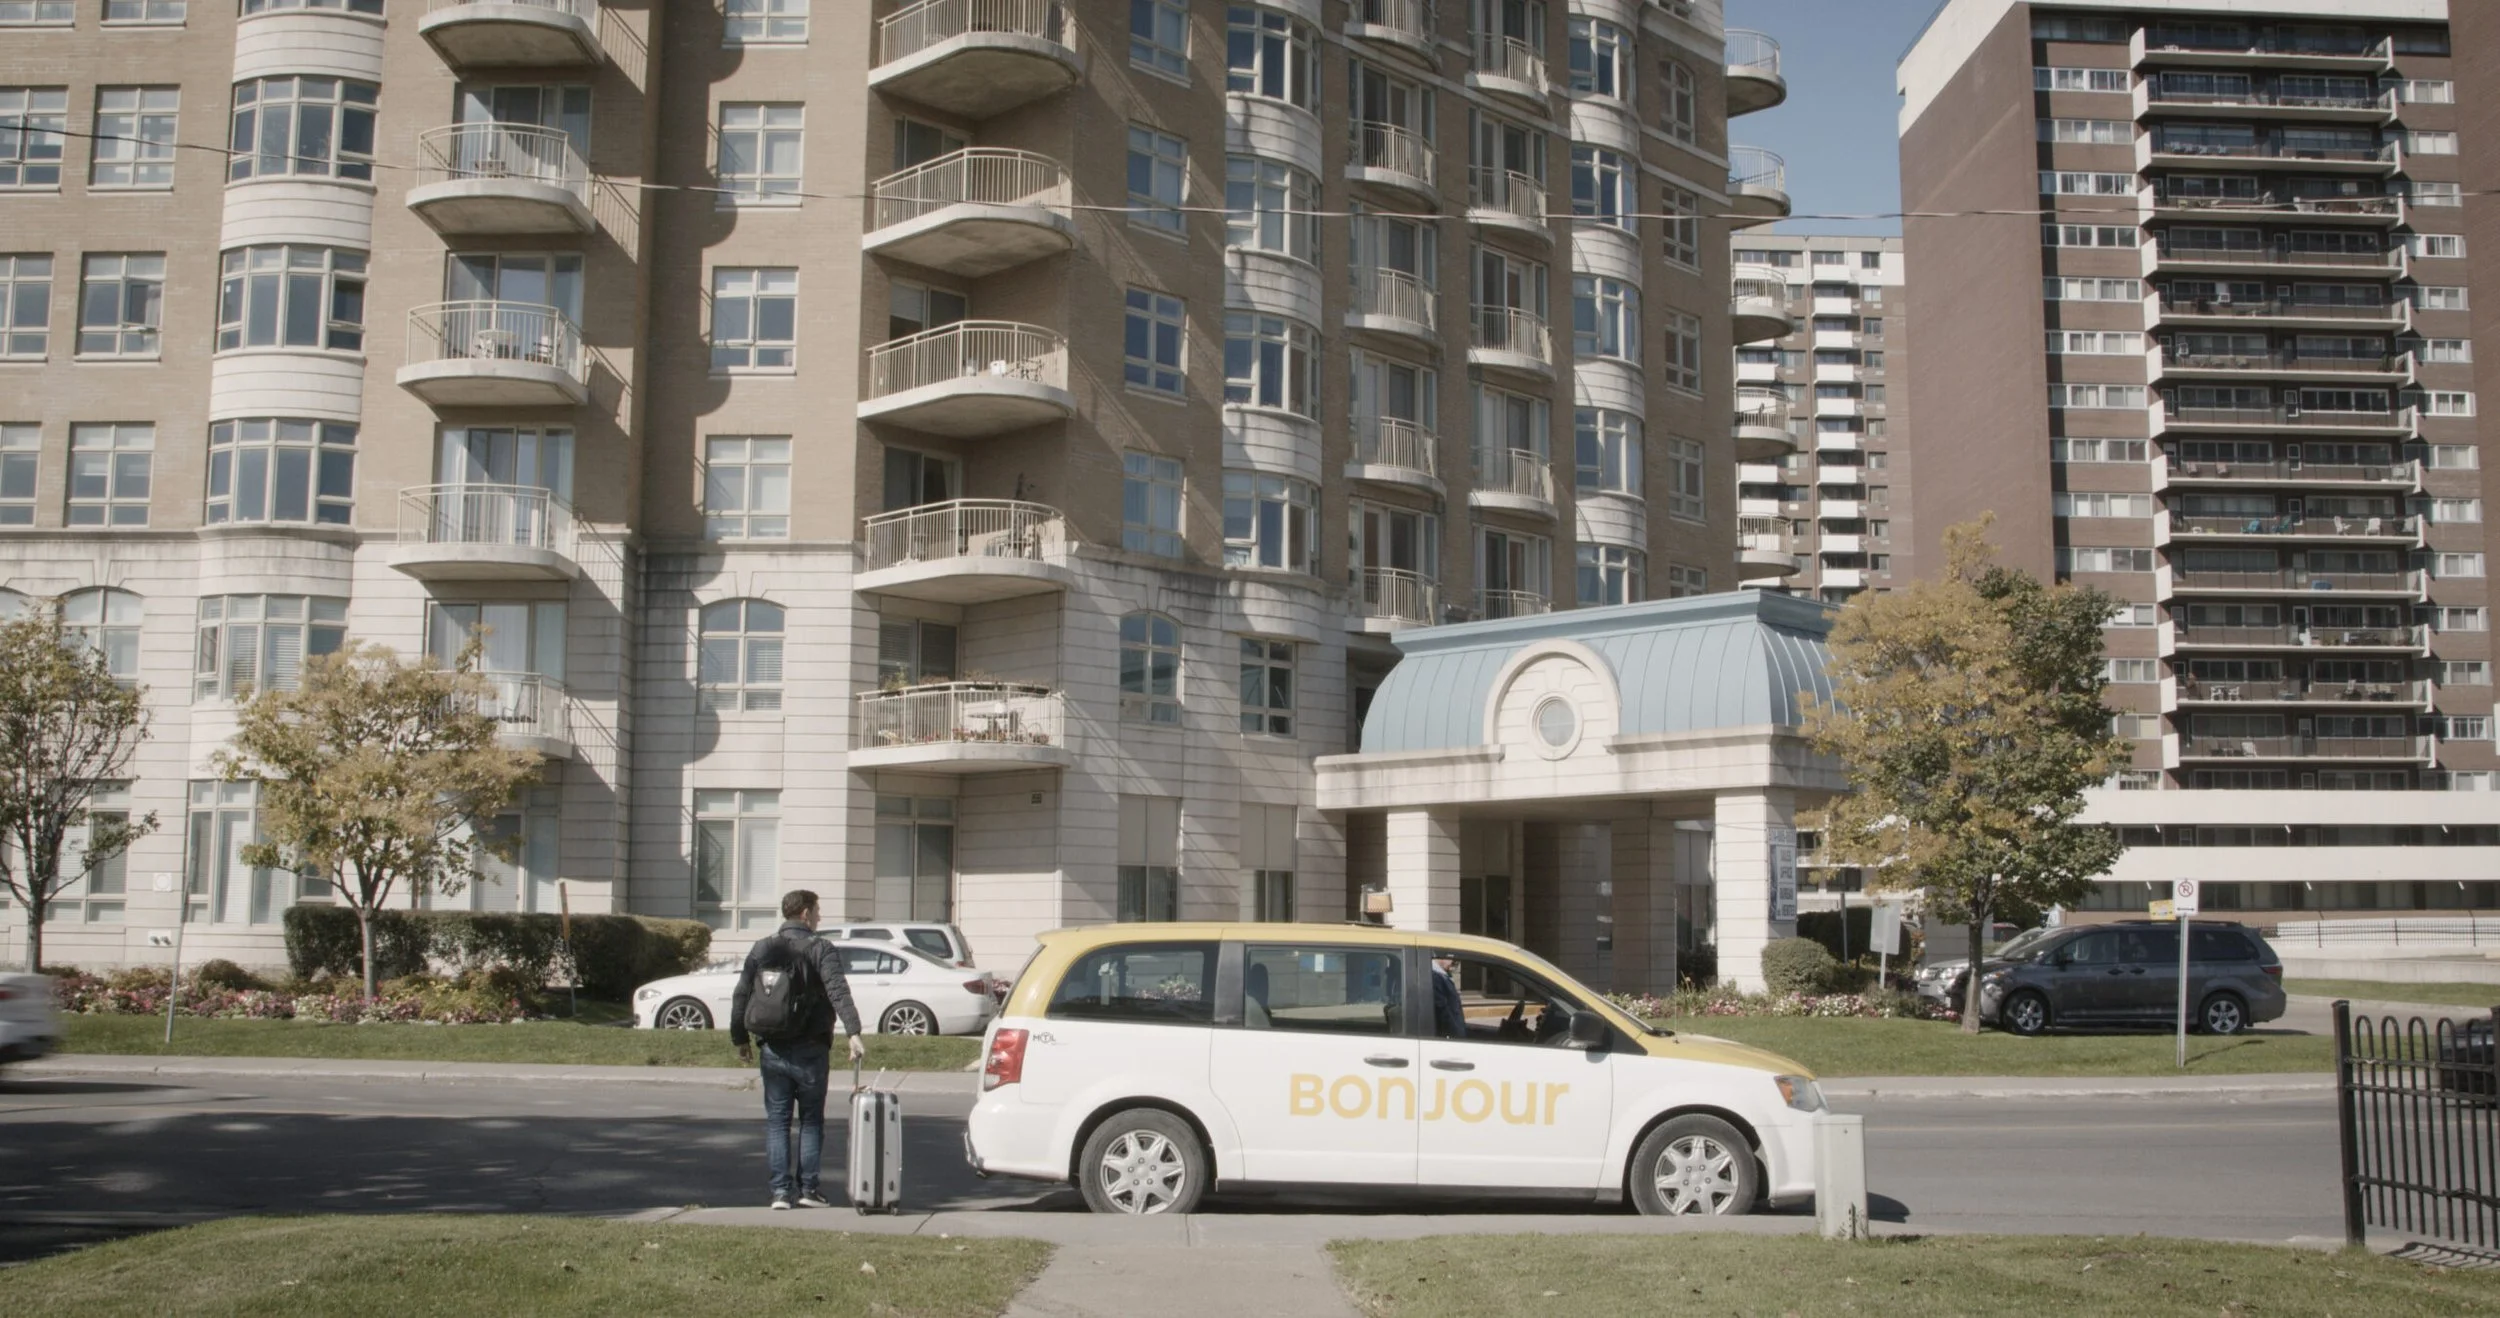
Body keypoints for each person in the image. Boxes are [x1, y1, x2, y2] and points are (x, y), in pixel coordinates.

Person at [730, 889, 865, 1210]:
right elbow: (837, 991)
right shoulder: (821, 948)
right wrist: (854, 1032)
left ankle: (779, 1193)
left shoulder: (763, 947)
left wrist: (739, 1038)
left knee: (777, 1121)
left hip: (772, 1048)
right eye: (817, 910)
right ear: (805, 913)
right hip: (811, 1049)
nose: (819, 916)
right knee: (811, 1120)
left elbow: (741, 993)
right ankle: (808, 1189)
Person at [1430, 952, 1467, 1039]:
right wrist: (1458, 1036)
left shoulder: (1441, 975)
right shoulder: (1435, 977)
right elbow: (1443, 1012)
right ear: (1443, 956)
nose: (1452, 963)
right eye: (1451, 959)